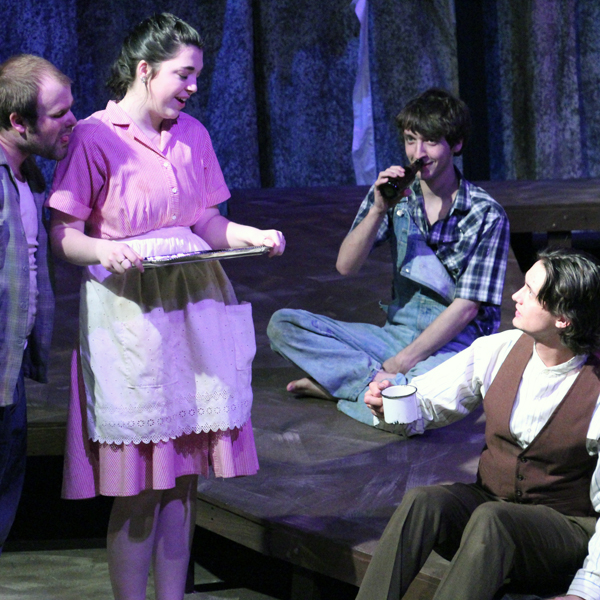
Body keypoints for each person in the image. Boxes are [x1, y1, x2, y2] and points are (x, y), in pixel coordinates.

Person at [45, 14, 284, 600]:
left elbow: (206, 221)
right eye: (184, 74)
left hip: (195, 312)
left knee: (183, 481)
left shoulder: (192, 135)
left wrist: (249, 235)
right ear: (145, 70)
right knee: (140, 486)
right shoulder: (95, 136)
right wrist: (105, 249)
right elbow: (64, 234)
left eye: (197, 75)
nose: (193, 87)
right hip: (131, 318)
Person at [357, 248, 600, 600]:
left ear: (562, 319)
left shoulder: (595, 388)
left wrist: (586, 589)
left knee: (493, 518)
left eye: (530, 292)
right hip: (489, 514)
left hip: (561, 535)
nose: (515, 295)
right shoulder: (497, 350)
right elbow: (427, 402)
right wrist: (389, 406)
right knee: (423, 502)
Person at [267, 88, 509, 430]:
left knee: (409, 411)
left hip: (454, 343)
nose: (418, 153)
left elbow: (466, 308)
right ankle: (377, 389)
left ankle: (345, 387)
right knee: (283, 325)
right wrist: (378, 209)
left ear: (456, 145)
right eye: (411, 140)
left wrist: (399, 363)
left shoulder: (486, 214)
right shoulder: (396, 195)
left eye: (430, 141)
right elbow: (345, 265)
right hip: (397, 334)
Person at [0, 55, 75, 553]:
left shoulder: (24, 175)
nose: (72, 120)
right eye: (58, 113)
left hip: (8, 370)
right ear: (18, 122)